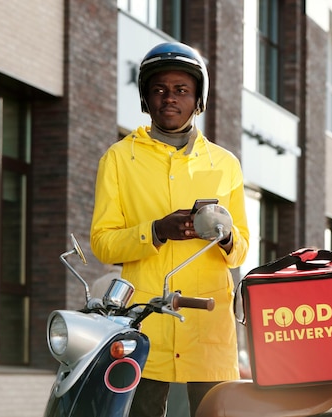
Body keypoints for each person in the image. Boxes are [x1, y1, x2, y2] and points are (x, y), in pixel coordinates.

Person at [90, 41, 250, 417]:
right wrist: (156, 230)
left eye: (181, 90)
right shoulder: (118, 159)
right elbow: (102, 243)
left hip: (207, 322)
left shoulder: (224, 164)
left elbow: (242, 249)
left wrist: (225, 235)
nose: (169, 99)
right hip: (146, 325)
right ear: (146, 98)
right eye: (159, 90)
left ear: (198, 99)